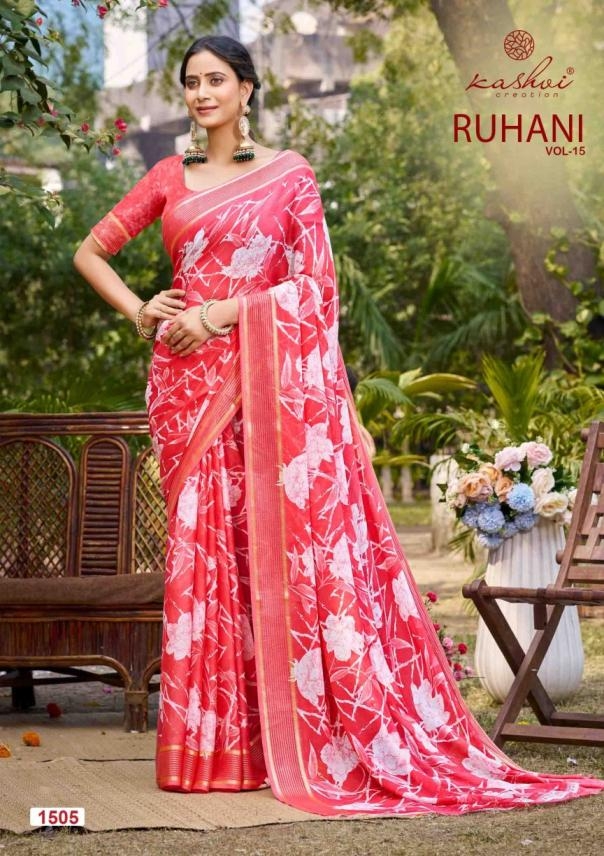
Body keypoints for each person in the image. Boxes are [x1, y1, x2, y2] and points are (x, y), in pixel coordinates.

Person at [74, 35, 604, 816]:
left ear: (247, 89)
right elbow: (91, 252)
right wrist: (142, 310)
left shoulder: (289, 176)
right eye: (191, 82)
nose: (202, 93)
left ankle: (284, 739)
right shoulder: (167, 178)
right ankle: (215, 748)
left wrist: (223, 312)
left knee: (270, 548)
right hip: (187, 390)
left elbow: (316, 292)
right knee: (208, 555)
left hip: (267, 387)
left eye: (216, 79)